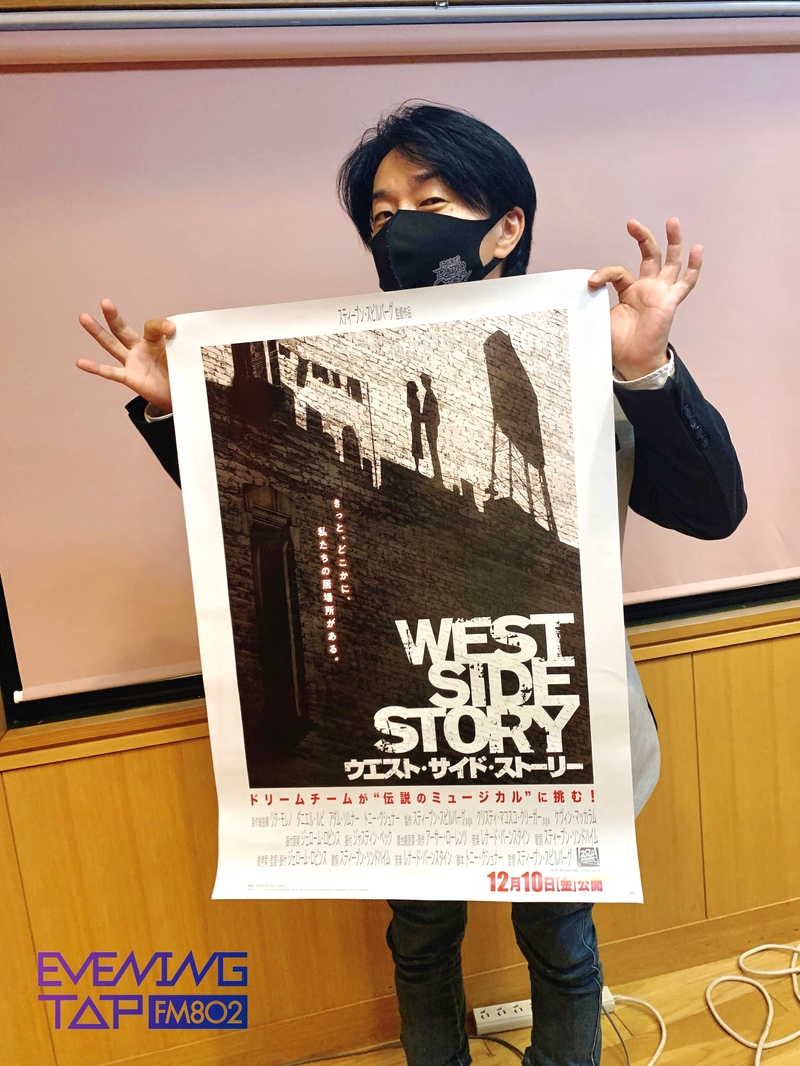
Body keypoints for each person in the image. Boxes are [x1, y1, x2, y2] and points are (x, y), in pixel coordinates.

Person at [77, 102, 746, 1066]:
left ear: (505, 227)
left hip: (547, 713)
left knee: (561, 943)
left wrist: (643, 368)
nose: (400, 229)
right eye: (383, 214)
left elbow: (714, 510)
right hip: (393, 722)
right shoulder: (341, 358)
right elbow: (261, 506)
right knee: (421, 939)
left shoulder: (588, 344)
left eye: (429, 204)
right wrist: (178, 412)